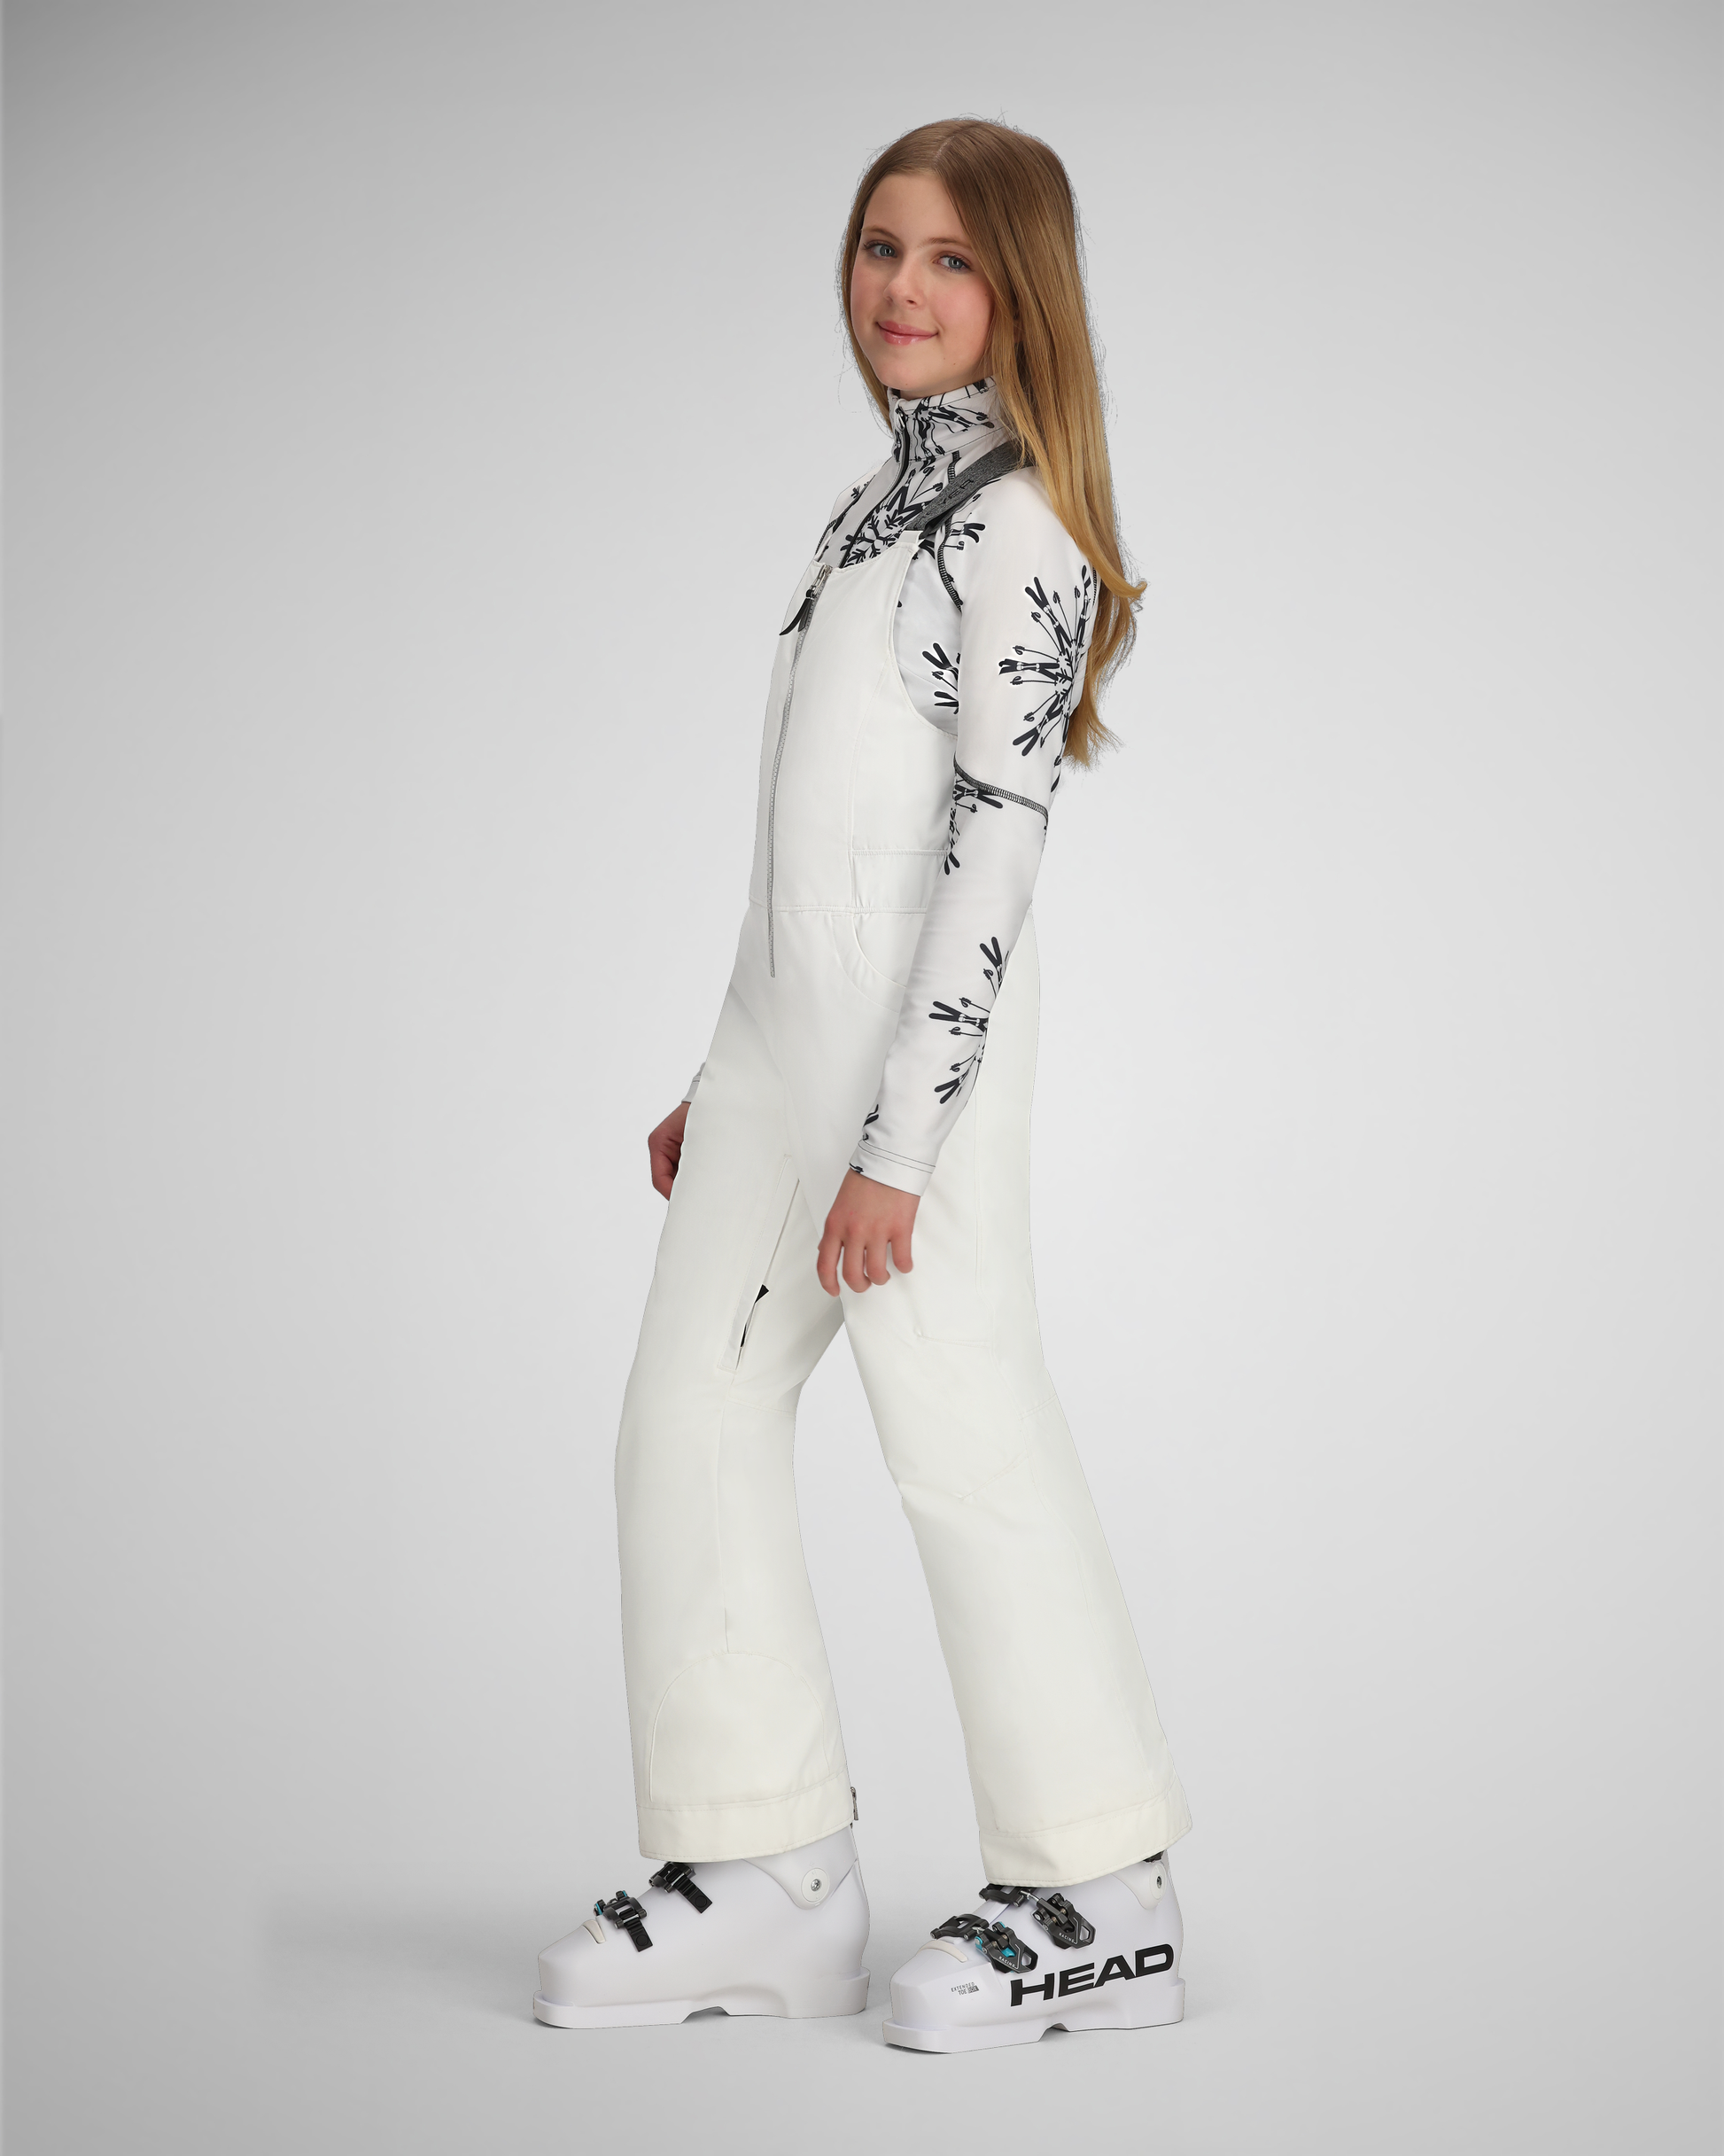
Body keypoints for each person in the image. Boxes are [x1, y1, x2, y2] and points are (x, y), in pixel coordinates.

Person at [534, 117, 1190, 2053]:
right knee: (684, 1415)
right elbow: (813, 844)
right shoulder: (864, 519)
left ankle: (1102, 1886)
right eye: (879, 245)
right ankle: (766, 1867)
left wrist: (897, 1140)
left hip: (923, 1069)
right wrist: (725, 1064)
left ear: (1021, 292)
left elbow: (987, 853)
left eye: (951, 259)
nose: (902, 287)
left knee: (961, 1434)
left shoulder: (1019, 533)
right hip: (775, 1051)